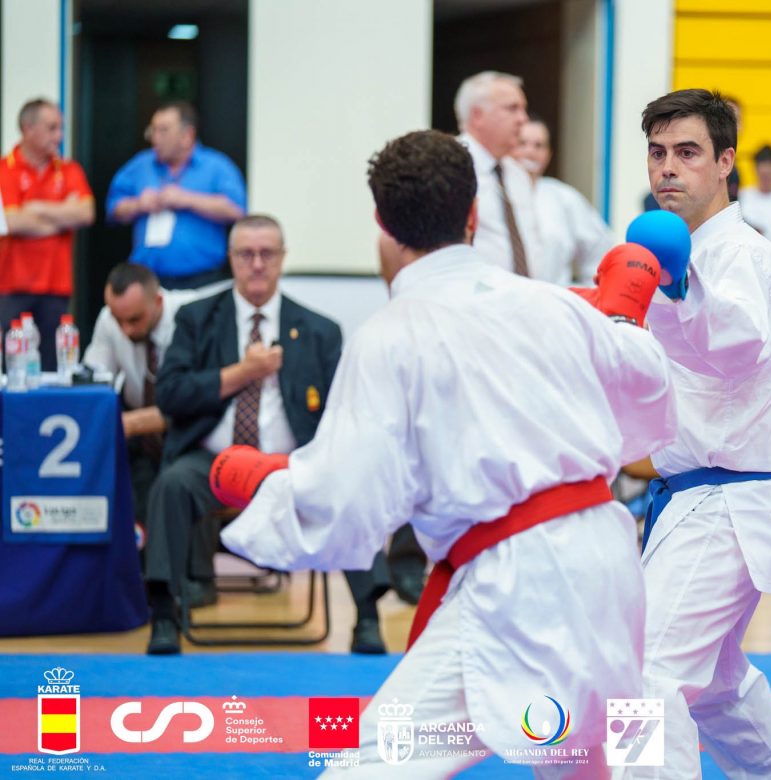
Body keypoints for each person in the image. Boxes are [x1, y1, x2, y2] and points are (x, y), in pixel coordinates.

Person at [214, 129, 676, 775]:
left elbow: (347, 499)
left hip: (518, 580)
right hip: (608, 555)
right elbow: (647, 399)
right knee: (600, 761)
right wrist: (624, 314)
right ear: (474, 212)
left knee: (374, 761)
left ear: (382, 223)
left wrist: (267, 484)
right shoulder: (551, 302)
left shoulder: (390, 336)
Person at [634, 88, 771, 778]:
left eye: (687, 153)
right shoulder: (677, 255)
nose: (668, 170)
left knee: (647, 676)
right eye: (658, 153)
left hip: (727, 500)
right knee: (710, 685)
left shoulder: (734, 254)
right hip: (704, 498)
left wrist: (678, 287)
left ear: (725, 162)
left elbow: (739, 342)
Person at [143, 214, 394, 656]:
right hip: (213, 461)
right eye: (246, 255)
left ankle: (368, 616)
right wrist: (241, 373)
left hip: (292, 463)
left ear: (282, 259)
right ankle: (164, 615)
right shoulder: (198, 318)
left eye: (266, 254)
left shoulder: (318, 329)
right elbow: (171, 395)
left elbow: (342, 413)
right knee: (171, 484)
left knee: (350, 486)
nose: (257, 264)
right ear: (231, 260)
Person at [82, 263, 208, 542]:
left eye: (135, 319)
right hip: (139, 433)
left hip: (186, 428)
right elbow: (94, 380)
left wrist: (135, 423)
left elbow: (200, 398)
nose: (125, 329)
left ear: (158, 301)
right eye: (119, 319)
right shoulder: (109, 319)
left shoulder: (192, 314)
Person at [106, 101, 245, 289]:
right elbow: (113, 209)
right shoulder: (140, 165)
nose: (155, 138)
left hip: (203, 279)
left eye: (163, 131)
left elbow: (236, 210)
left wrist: (187, 199)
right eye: (152, 130)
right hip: (148, 280)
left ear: (187, 136)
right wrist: (138, 204)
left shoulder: (217, 166)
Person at [0, 98, 94, 369]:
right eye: (52, 128)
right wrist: (62, 215)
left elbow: (85, 214)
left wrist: (36, 207)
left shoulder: (69, 170)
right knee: (12, 366)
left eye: (60, 128)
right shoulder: (5, 169)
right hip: (11, 287)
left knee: (55, 366)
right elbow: (11, 221)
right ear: (28, 129)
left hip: (56, 287)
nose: (60, 136)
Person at [454, 71, 543, 278]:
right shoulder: (448, 168)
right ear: (477, 115)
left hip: (525, 299)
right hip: (471, 301)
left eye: (524, 109)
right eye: (512, 108)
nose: (523, 119)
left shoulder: (517, 174)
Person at [513, 117, 613, 284]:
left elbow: (600, 248)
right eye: (522, 143)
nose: (530, 152)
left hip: (552, 302)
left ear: (548, 154)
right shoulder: (491, 194)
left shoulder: (564, 198)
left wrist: (588, 294)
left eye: (539, 145)